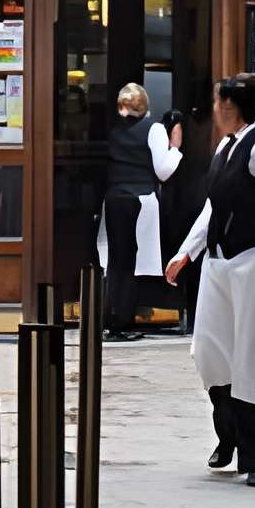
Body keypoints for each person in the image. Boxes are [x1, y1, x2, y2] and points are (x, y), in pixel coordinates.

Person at [164, 75, 255, 486]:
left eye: (217, 103)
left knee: (254, 358)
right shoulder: (224, 148)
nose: (214, 110)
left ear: (228, 106)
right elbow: (214, 207)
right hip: (219, 264)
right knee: (208, 350)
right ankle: (229, 435)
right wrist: (186, 252)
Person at [97, 81, 183, 340]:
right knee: (132, 262)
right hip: (141, 198)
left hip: (114, 197)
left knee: (116, 262)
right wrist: (176, 148)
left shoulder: (112, 129)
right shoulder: (154, 129)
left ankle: (115, 318)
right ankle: (124, 321)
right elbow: (163, 171)